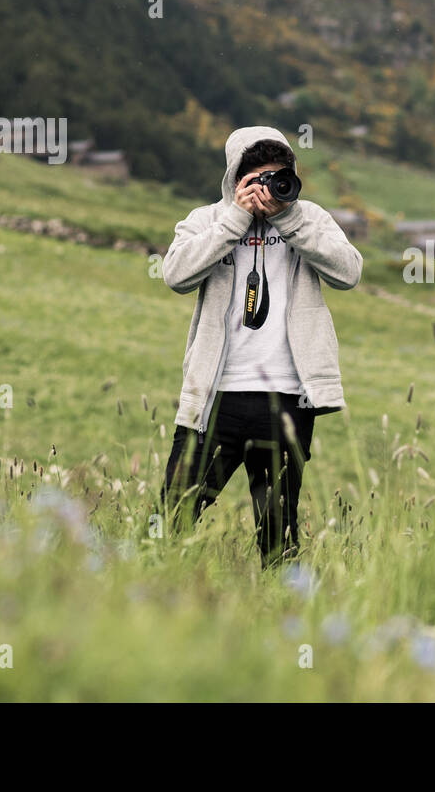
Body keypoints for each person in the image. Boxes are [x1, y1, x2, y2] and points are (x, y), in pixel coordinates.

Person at [159, 126, 362, 566]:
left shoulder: (307, 217)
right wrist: (235, 218)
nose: (271, 188)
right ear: (237, 178)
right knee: (172, 516)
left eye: (280, 177)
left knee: (278, 533)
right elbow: (175, 275)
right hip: (215, 396)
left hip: (286, 400)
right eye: (259, 179)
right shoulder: (206, 220)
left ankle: (278, 614)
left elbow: (348, 272)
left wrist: (288, 221)